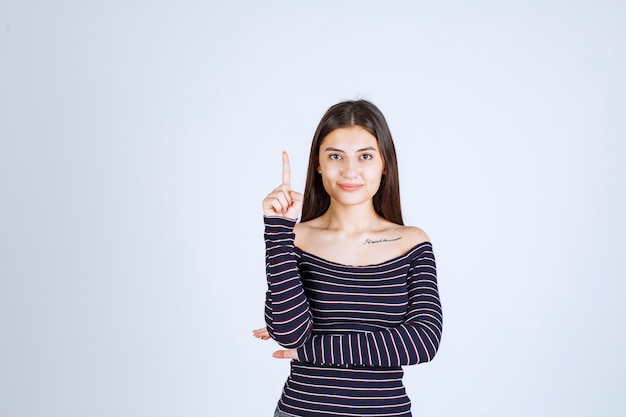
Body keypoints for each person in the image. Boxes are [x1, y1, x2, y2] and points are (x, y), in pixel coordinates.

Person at [253, 100, 443, 417]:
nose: (350, 171)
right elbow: (290, 333)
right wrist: (277, 227)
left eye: (365, 156)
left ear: (384, 163)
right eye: (336, 156)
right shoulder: (295, 238)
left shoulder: (412, 243)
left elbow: (423, 341)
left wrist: (310, 351)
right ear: (318, 164)